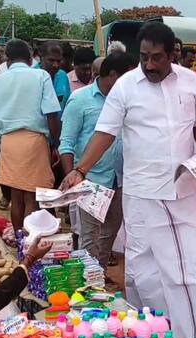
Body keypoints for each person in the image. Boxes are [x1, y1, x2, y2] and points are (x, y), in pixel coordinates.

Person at [60, 22, 196, 338]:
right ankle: (149, 322)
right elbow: (104, 133)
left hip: (181, 188)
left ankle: (192, 331)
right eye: (144, 57)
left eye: (157, 57)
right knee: (142, 260)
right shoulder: (127, 86)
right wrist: (81, 170)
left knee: (184, 259)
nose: (149, 64)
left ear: (172, 53)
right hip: (141, 189)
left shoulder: (189, 81)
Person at [60, 52, 135, 267]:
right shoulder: (80, 99)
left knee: (110, 232)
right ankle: (86, 283)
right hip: (91, 180)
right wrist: (73, 176)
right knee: (89, 237)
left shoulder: (128, 101)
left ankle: (97, 274)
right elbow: (66, 142)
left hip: (119, 179)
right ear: (112, 75)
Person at [0, 40, 61, 231]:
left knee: (16, 198)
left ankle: (19, 239)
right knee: (31, 197)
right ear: (31, 58)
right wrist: (55, 144)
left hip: (8, 142)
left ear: (6, 59)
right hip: (34, 141)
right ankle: (30, 243)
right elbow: (52, 114)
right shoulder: (41, 76)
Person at [36, 41, 71, 109]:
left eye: (58, 61)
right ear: (41, 58)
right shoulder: (32, 76)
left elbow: (67, 102)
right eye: (51, 60)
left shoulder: (63, 75)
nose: (55, 65)